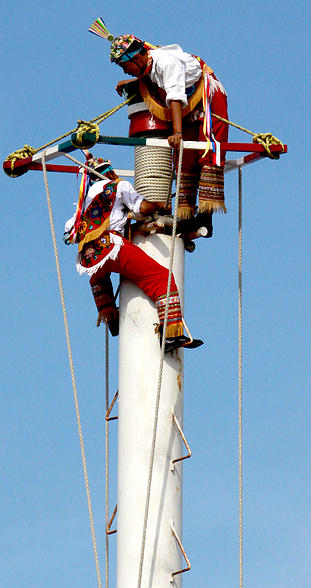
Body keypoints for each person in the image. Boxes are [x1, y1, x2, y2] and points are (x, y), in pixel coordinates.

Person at [63, 155, 201, 351]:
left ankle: (111, 317)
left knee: (98, 279)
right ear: (108, 172)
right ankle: (170, 334)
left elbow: (69, 232)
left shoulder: (85, 199)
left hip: (91, 256)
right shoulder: (119, 186)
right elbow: (143, 208)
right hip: (113, 247)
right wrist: (158, 205)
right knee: (162, 278)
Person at [107, 33, 229, 226]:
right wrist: (132, 83)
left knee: (209, 150)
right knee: (184, 156)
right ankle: (186, 217)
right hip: (188, 105)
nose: (124, 71)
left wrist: (178, 133)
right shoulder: (148, 64)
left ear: (137, 58)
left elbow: (174, 96)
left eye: (124, 66)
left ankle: (206, 219)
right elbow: (152, 79)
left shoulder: (166, 63)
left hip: (208, 96)